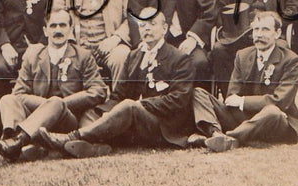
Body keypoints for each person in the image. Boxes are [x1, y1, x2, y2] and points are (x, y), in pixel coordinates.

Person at [35, 8, 196, 158]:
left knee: (128, 106)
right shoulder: (133, 57)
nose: (146, 29)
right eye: (142, 24)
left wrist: (140, 105)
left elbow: (178, 100)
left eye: (152, 24)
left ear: (164, 28)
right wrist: (104, 112)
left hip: (162, 126)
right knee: (92, 111)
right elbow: (119, 94)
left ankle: (73, 137)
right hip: (133, 123)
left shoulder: (179, 58)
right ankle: (93, 146)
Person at [0, 9, 107, 163]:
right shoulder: (33, 57)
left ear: (70, 30)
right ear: (45, 31)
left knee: (56, 101)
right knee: (7, 99)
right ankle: (15, 140)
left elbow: (98, 91)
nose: (58, 30)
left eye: (63, 25)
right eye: (53, 26)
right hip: (36, 121)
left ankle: (19, 142)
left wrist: (60, 104)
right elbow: (18, 93)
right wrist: (47, 105)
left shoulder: (82, 56)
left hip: (66, 121)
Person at [190, 10, 298, 152]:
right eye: (256, 29)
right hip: (244, 117)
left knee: (273, 111)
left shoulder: (291, 60)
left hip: (275, 120)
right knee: (199, 93)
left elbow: (280, 101)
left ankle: (230, 137)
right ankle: (215, 133)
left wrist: (243, 101)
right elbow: (231, 96)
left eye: (265, 30)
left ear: (277, 33)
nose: (259, 35)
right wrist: (237, 101)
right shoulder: (242, 55)